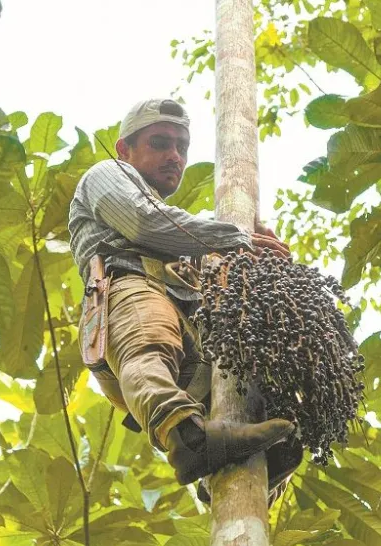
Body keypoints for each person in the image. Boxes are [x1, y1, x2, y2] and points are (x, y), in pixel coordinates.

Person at [68, 99, 302, 504]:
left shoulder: (182, 235)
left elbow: (203, 260)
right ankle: (188, 438)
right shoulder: (106, 174)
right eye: (159, 143)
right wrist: (235, 238)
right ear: (125, 150)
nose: (174, 155)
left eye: (182, 147)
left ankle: (246, 470)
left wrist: (251, 257)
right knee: (150, 340)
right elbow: (143, 222)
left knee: (269, 378)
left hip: (189, 334)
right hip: (128, 288)